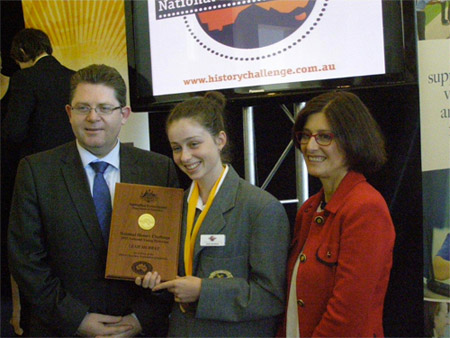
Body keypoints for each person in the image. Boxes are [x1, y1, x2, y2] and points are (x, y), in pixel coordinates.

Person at [8, 64, 179, 337]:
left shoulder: (159, 170)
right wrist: (76, 319)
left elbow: (174, 254)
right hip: (62, 328)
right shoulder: (36, 171)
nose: (92, 117)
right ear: (68, 113)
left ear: (124, 114)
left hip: (140, 328)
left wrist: (141, 318)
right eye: (82, 107)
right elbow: (26, 259)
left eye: (104, 107)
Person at [135, 91, 290, 337]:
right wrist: (156, 279)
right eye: (177, 148)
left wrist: (203, 291)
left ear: (220, 140)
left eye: (194, 144)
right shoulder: (173, 207)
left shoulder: (260, 208)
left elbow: (271, 296)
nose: (185, 157)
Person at [278, 91, 396, 337]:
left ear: (352, 140)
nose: (310, 146)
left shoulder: (366, 208)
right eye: (306, 136)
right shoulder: (310, 209)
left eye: (324, 137)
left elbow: (347, 315)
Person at [2, 28, 75, 159]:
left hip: (39, 161)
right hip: (72, 157)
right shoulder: (74, 76)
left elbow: (14, 131)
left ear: (22, 51)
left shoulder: (23, 78)